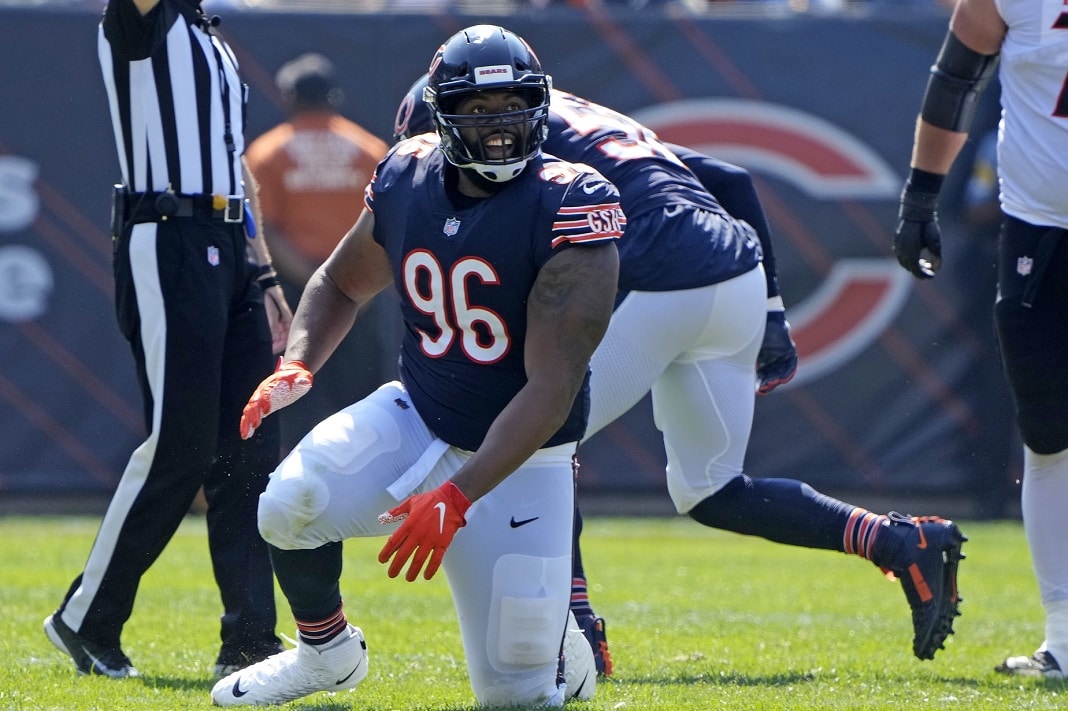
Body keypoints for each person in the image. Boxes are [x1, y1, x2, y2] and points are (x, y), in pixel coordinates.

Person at [396, 78, 969, 669]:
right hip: (735, 270)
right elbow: (732, 180)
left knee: (534, 440)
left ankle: (577, 630)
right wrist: (772, 311)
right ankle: (901, 541)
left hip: (660, 274)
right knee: (712, 488)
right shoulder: (587, 121)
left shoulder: (516, 147)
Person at [209, 25, 621, 707]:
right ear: (442, 114)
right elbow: (340, 282)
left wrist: (458, 495)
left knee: (516, 693)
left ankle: (560, 648)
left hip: (525, 455)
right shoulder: (406, 176)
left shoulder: (570, 205)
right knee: (287, 504)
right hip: (421, 416)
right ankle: (326, 652)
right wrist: (300, 362)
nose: (501, 127)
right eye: (480, 111)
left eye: (514, 105)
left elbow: (552, 385)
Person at [43, 0, 292, 679]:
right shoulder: (144, 16)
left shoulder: (210, 35)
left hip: (229, 244)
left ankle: (249, 641)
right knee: (179, 444)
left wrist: (264, 268)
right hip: (169, 238)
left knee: (249, 448)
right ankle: (86, 616)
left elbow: (232, 159)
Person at [893, 0, 1067, 679]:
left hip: (1037, 225)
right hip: (1040, 231)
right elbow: (955, 78)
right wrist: (920, 197)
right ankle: (1063, 636)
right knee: (1048, 434)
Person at [245, 53, 389, 453]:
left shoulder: (268, 151)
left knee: (289, 399)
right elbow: (385, 226)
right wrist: (346, 285)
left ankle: (288, 486)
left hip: (293, 296)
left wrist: (314, 281)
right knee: (360, 405)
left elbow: (264, 229)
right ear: (335, 96)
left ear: (289, 97)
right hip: (360, 292)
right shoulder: (370, 149)